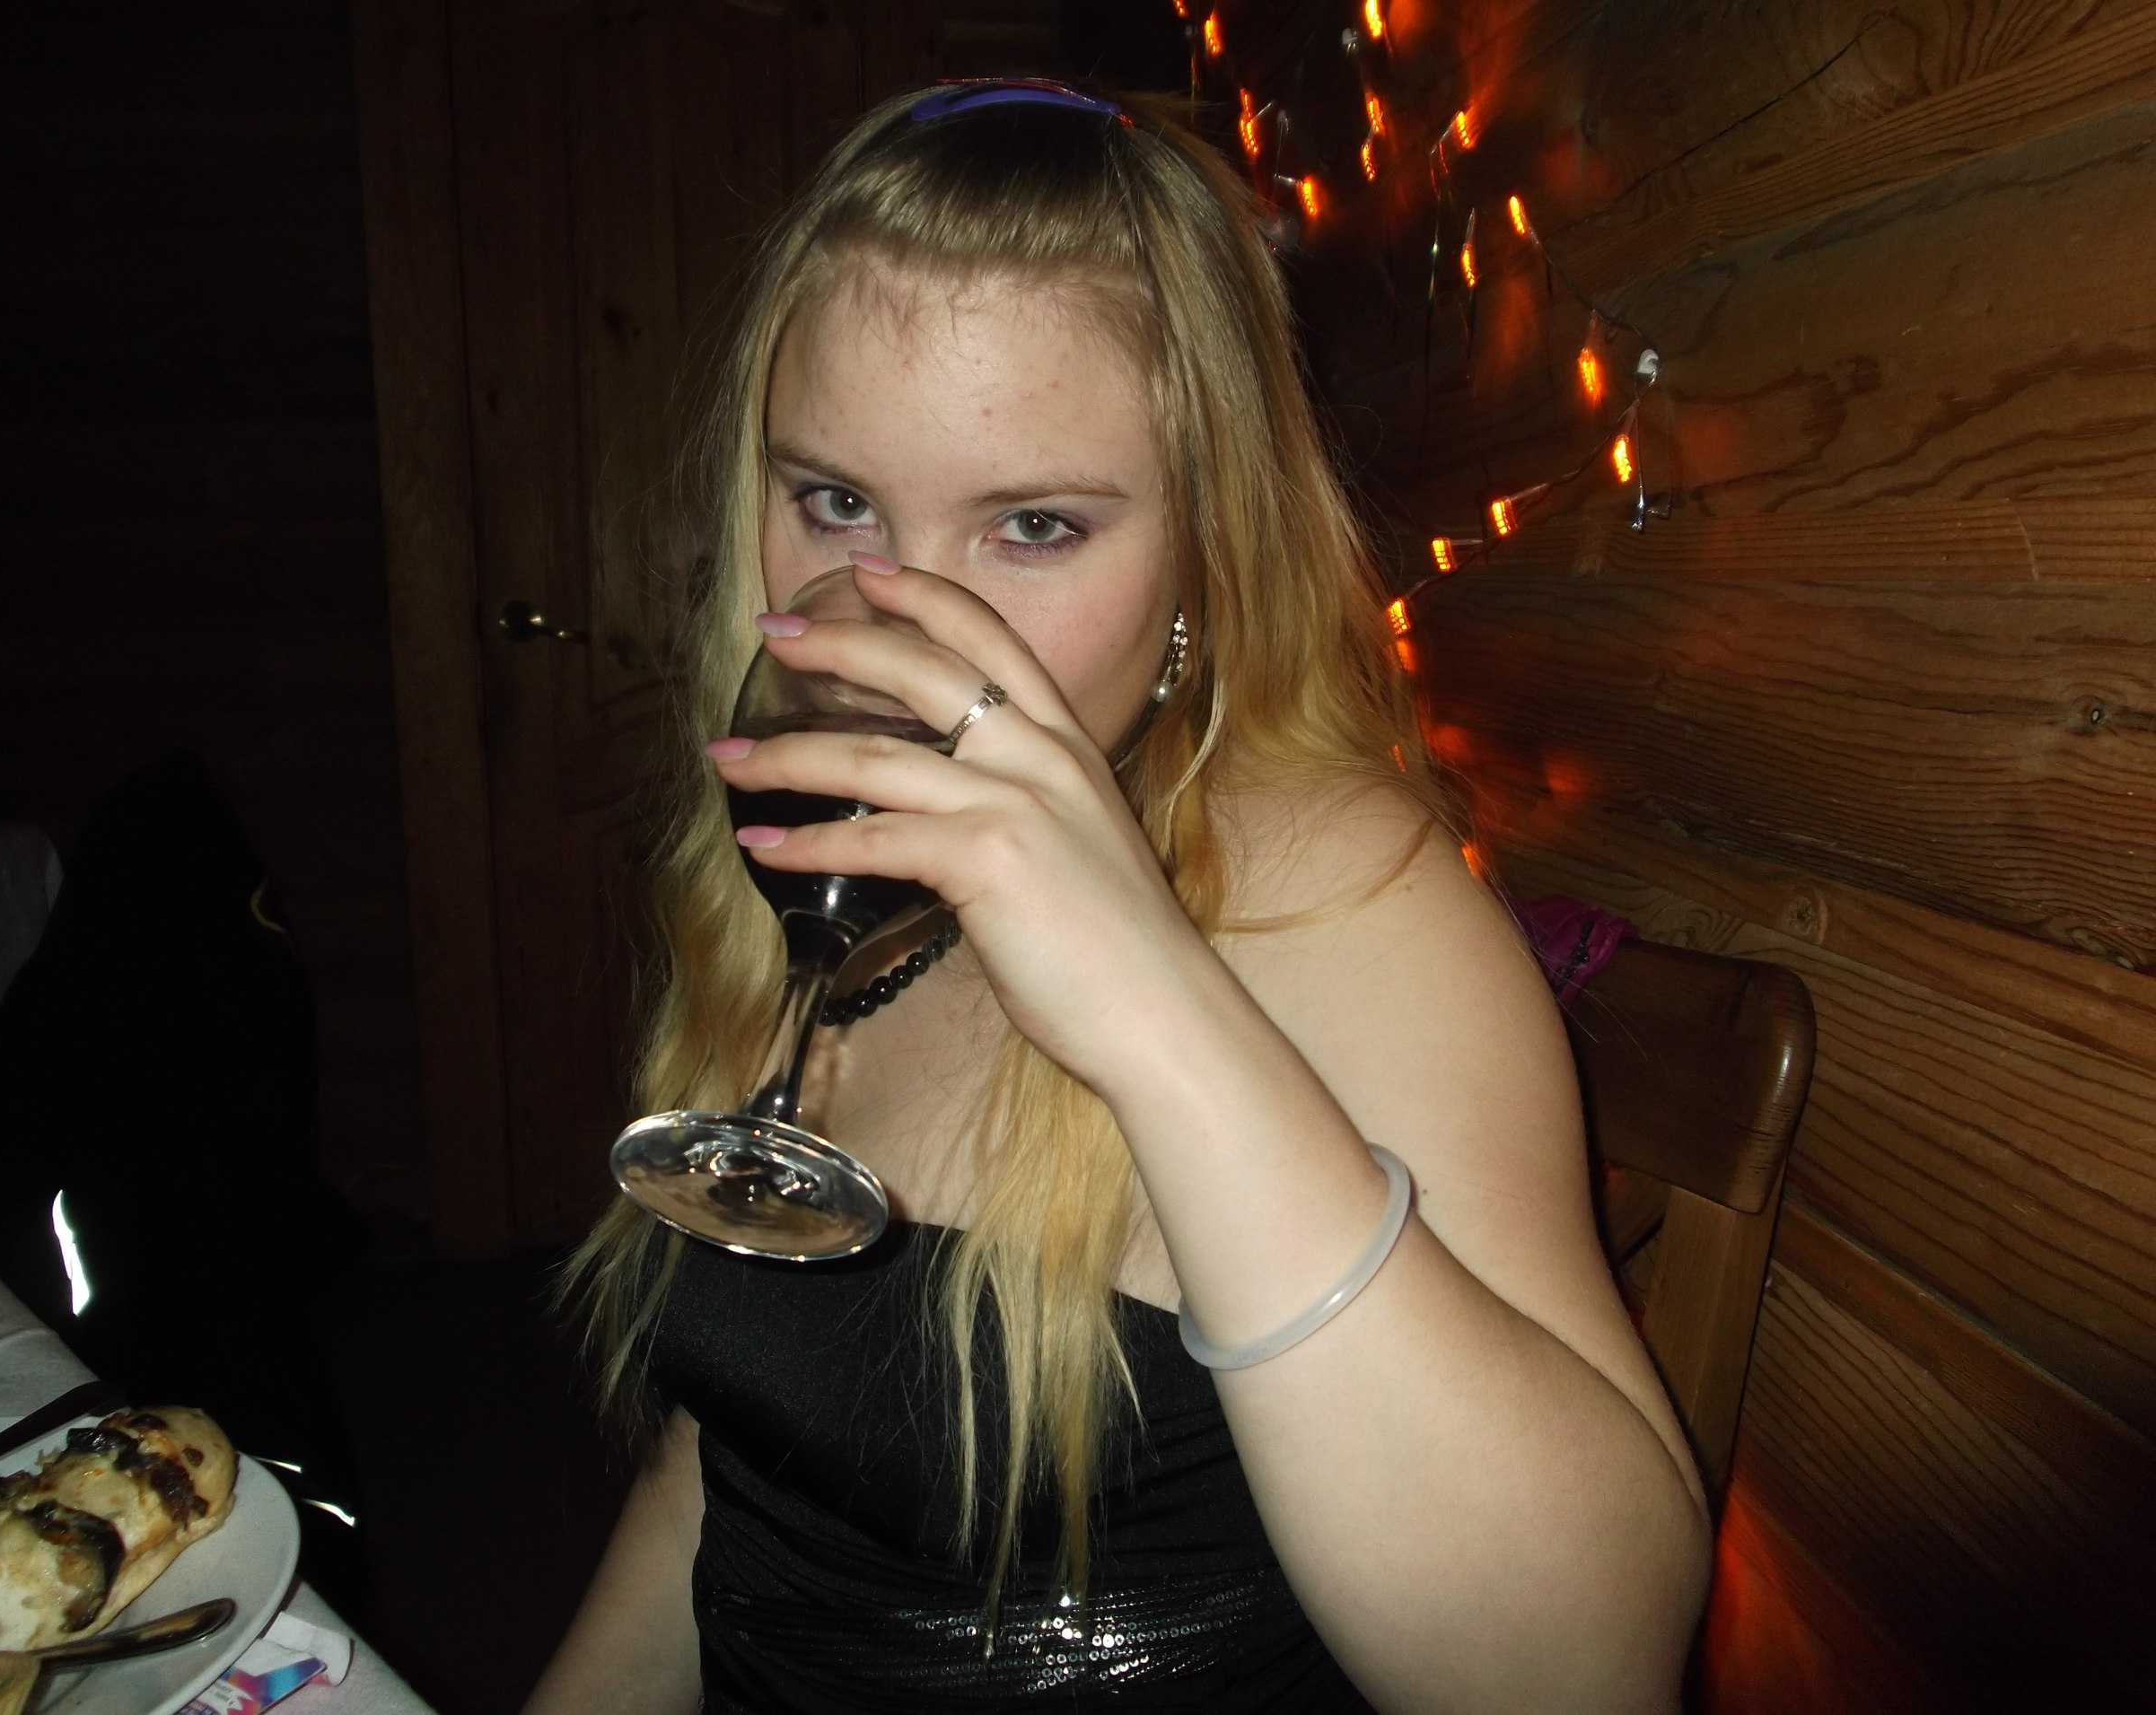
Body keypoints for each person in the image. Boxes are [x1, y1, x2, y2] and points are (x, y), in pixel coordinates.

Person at [527, 79, 1711, 1714]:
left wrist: (1154, 1007)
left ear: (1199, 552)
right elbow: (722, 1471)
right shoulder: (801, 872)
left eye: (1032, 526)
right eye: (837, 503)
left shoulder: (1336, 895)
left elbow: (1582, 1676)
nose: (900, 624)